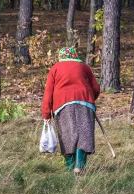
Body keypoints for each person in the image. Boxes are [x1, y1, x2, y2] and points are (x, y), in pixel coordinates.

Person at [41, 46, 101, 174]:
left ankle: (70, 169)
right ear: (74, 55)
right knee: (84, 135)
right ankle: (80, 167)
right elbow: (96, 88)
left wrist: (46, 114)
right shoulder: (84, 67)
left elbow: (48, 93)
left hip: (63, 105)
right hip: (85, 103)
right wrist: (90, 98)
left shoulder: (55, 68)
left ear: (61, 57)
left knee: (67, 136)